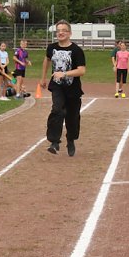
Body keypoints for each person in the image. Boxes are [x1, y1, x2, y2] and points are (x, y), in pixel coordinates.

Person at [41, 20, 86, 157]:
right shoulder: (51, 47)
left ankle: (70, 140)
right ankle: (54, 141)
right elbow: (47, 59)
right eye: (58, 30)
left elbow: (81, 70)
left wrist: (65, 73)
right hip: (57, 86)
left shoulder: (76, 50)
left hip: (73, 88)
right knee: (57, 110)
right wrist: (43, 78)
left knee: (72, 118)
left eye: (64, 30)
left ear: (70, 33)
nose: (60, 33)